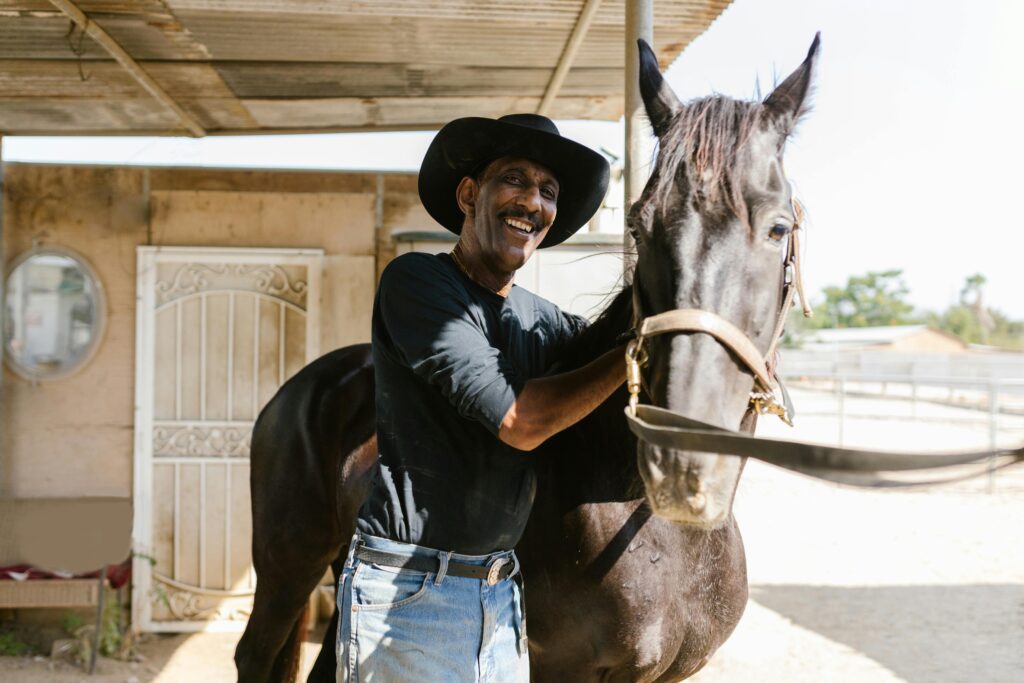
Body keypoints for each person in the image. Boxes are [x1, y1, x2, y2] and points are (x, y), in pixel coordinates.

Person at [336, 114, 626, 682]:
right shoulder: (419, 284)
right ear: (470, 194)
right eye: (515, 179)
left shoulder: (547, 322)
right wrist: (634, 351)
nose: (532, 201)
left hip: (500, 593)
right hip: (409, 590)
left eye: (548, 191)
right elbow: (520, 420)